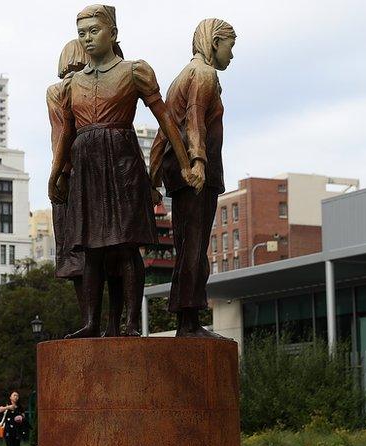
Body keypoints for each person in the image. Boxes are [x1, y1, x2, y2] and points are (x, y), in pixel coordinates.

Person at [48, 4, 197, 337]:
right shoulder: (72, 86)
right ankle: (90, 323)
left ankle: (131, 322)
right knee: (92, 249)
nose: (86, 39)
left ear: (113, 33)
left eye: (94, 31)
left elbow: (166, 119)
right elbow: (65, 135)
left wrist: (186, 164)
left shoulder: (134, 71)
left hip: (122, 162)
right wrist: (56, 173)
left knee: (126, 245)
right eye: (81, 33)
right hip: (86, 165)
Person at [150, 19, 237, 337]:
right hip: (197, 174)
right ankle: (188, 323)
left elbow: (165, 130)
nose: (232, 54)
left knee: (189, 246)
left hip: (180, 173)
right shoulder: (203, 74)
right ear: (215, 42)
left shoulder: (181, 78)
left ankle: (187, 320)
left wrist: (154, 174)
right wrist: (199, 163)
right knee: (194, 248)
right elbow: (195, 121)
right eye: (230, 45)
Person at [48, 39, 124, 337]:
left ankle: (94, 323)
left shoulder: (75, 88)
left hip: (78, 176)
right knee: (103, 256)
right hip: (81, 178)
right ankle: (106, 324)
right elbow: (62, 136)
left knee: (90, 259)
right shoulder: (65, 90)